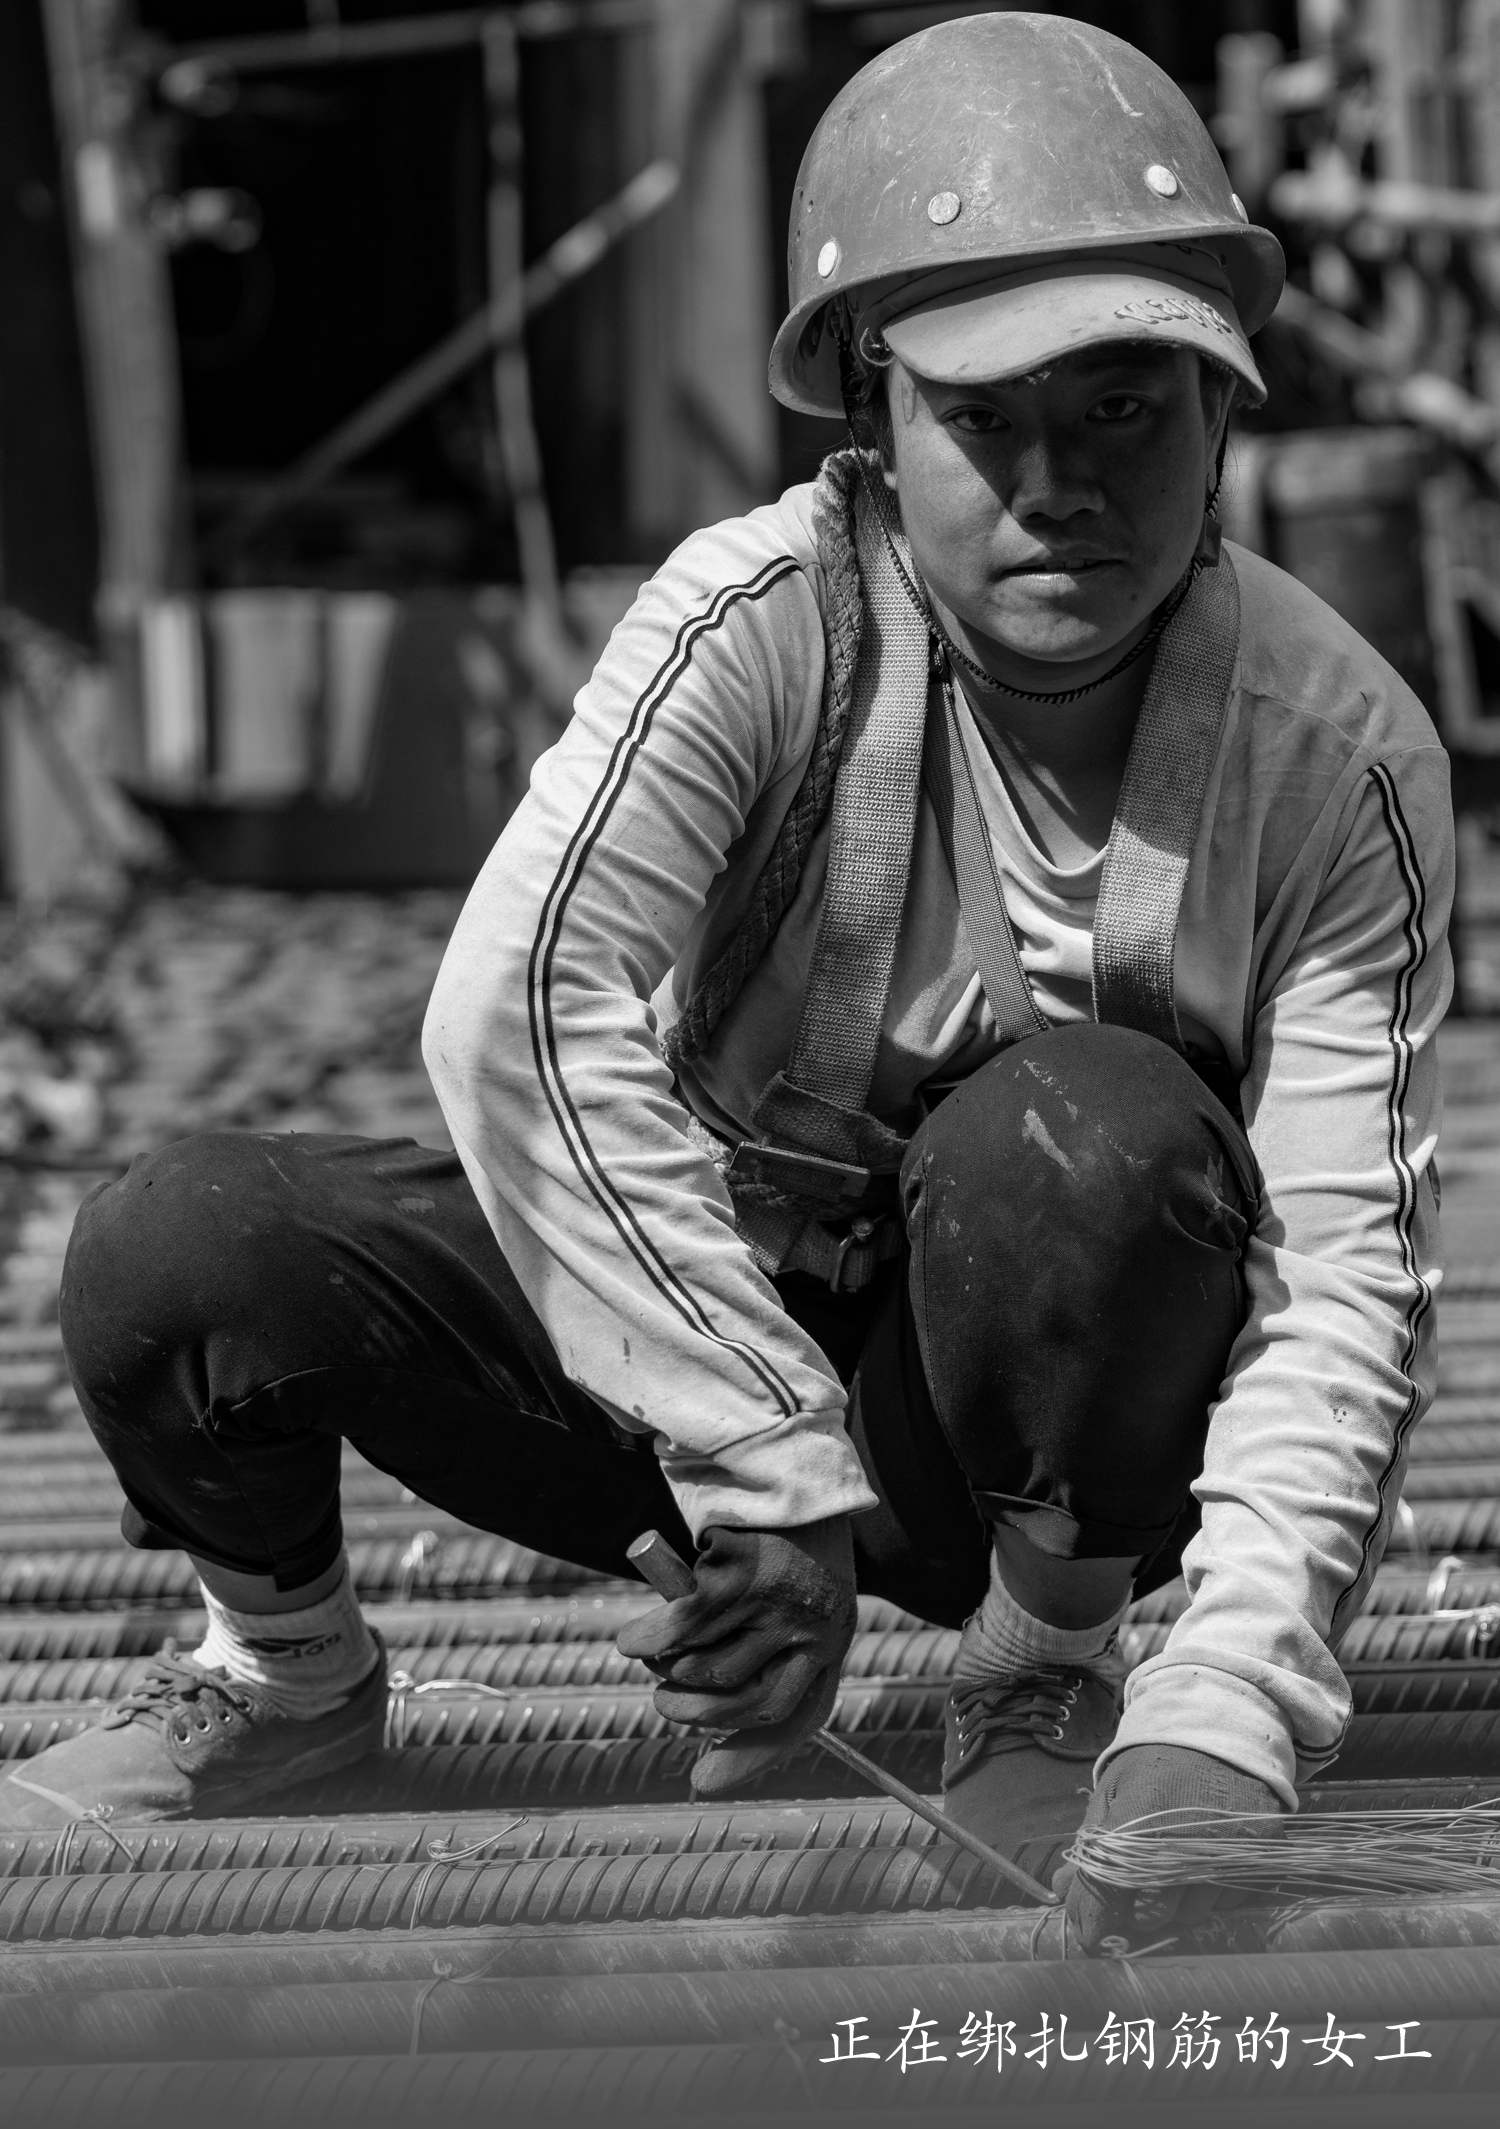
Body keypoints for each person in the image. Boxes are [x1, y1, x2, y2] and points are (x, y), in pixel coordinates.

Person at [5, 12, 1450, 1954]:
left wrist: (1229, 1713)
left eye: (1126, 406)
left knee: (1095, 1137)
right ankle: (286, 1675)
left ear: (1222, 414)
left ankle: (1041, 1671)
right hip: (704, 1368)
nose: (1059, 484)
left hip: (1048, 1428)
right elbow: (516, 1012)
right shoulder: (756, 621)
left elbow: (1346, 1276)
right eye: (985, 417)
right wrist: (762, 1470)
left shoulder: (1334, 752)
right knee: (178, 1243)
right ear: (875, 416)